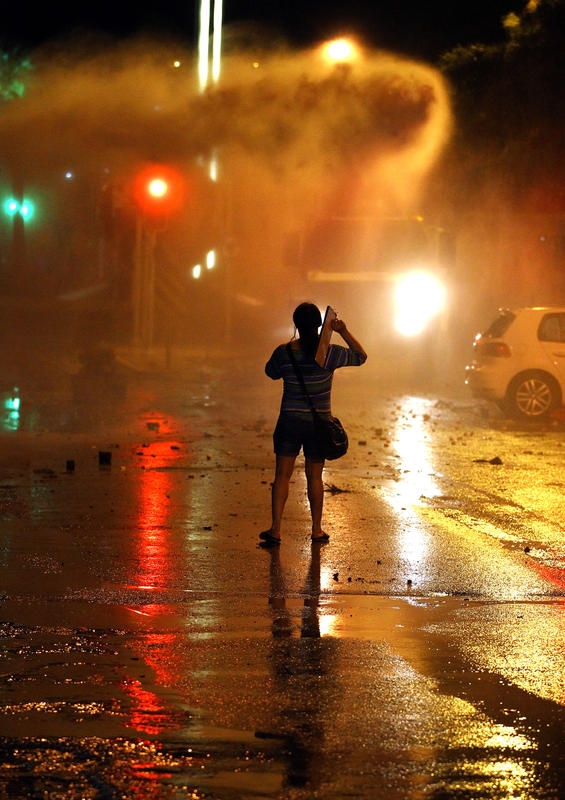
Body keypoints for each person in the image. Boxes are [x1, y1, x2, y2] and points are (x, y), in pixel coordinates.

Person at [260, 302, 367, 546]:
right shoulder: (329, 353)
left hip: (289, 421)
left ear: (296, 325)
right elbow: (361, 356)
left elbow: (270, 372)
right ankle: (317, 530)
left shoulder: (284, 352)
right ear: (321, 325)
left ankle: (276, 530)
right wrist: (342, 331)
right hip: (318, 424)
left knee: (282, 476)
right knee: (315, 477)